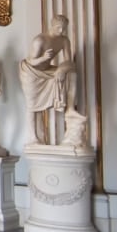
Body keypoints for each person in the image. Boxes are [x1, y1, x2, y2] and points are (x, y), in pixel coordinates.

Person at [19, 15, 77, 145]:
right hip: (30, 71)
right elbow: (31, 61)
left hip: (47, 70)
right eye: (58, 28)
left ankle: (71, 109)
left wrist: (62, 69)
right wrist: (44, 58)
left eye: (64, 28)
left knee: (71, 73)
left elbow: (69, 62)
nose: (61, 31)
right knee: (32, 105)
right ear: (52, 26)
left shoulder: (64, 40)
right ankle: (33, 136)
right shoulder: (39, 40)